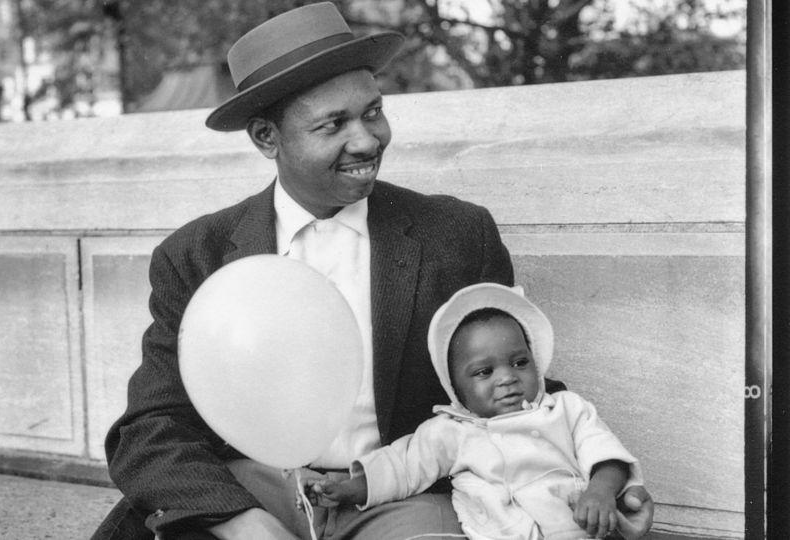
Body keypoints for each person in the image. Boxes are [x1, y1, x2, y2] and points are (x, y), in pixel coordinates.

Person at [93, 3, 653, 539]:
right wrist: (245, 524)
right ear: (267, 138)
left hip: (402, 502)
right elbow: (150, 428)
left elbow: (515, 385)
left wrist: (600, 485)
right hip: (249, 499)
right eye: (332, 124)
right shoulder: (197, 255)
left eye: (373, 111)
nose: (366, 140)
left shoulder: (455, 235)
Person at [308, 283, 646, 539]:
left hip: (573, 524)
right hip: (498, 530)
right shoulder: (450, 430)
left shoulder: (565, 409)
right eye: (485, 372)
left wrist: (600, 491)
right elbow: (403, 467)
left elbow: (606, 454)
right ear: (456, 387)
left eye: (519, 363)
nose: (507, 378)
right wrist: (353, 488)